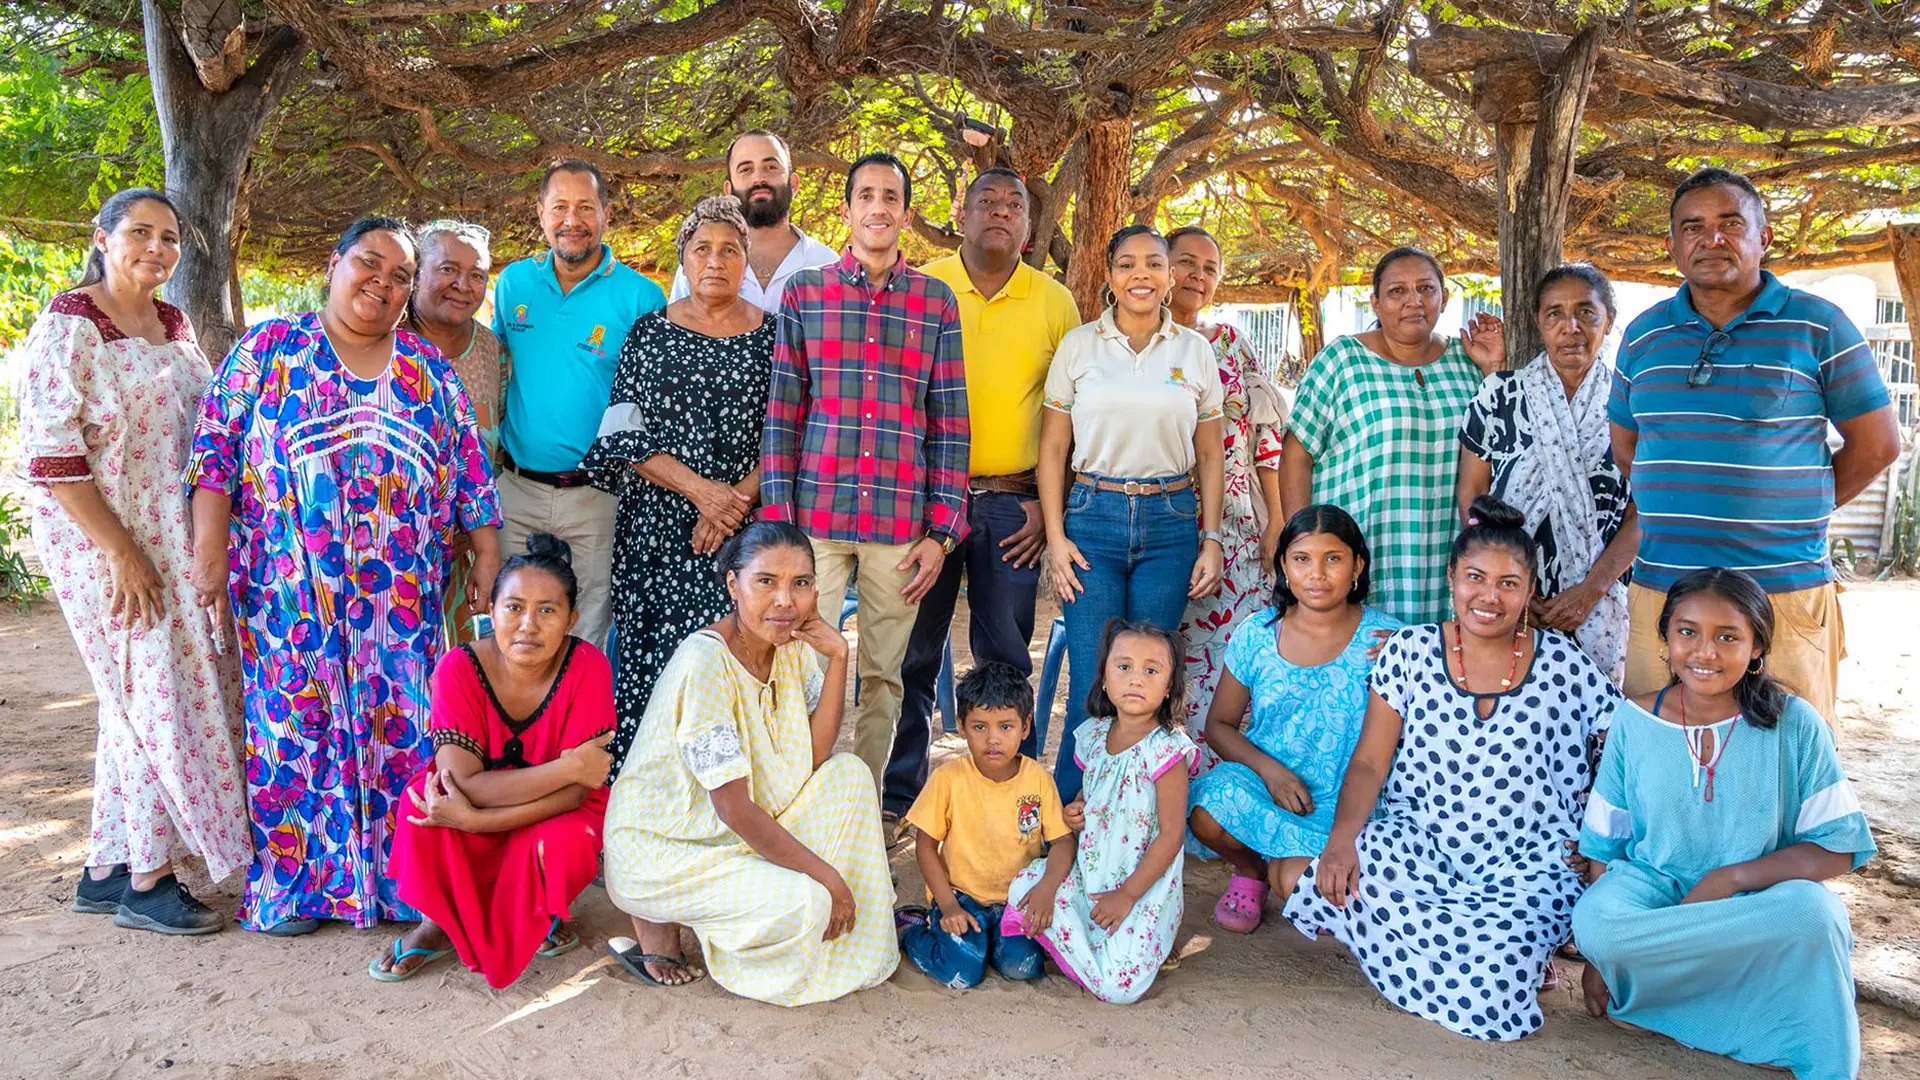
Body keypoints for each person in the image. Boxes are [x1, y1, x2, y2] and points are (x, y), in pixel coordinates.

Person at [187, 217, 503, 935]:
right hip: (287, 597)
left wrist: (486, 553)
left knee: (405, 735)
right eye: (370, 265)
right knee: (295, 731)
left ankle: (404, 884)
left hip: (402, 602)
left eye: (398, 278)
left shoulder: (428, 370)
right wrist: (208, 554)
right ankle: (298, 889)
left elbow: (469, 474)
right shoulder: (269, 350)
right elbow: (214, 453)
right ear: (334, 264)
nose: (382, 285)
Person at [1283, 496, 1617, 1041]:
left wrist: (1597, 839)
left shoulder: (1563, 662)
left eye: (1509, 583)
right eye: (1475, 578)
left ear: (1531, 590)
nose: (1489, 596)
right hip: (1423, 843)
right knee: (1355, 871)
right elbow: (1370, 762)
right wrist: (1344, 838)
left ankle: (1505, 956)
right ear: (1451, 578)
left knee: (1493, 988)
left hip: (1529, 862)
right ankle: (1486, 952)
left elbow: (1623, 754)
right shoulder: (1410, 651)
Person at [19, 188, 247, 934]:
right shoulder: (70, 326)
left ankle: (106, 867)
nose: (157, 247)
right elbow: (52, 458)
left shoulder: (175, 325)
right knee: (146, 701)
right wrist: (122, 553)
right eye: (140, 232)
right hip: (107, 544)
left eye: (171, 237)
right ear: (102, 236)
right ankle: (148, 881)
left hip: (171, 539)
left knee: (147, 698)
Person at [1612, 167, 1899, 723]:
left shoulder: (1819, 325)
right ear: (1672, 245)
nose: (1711, 239)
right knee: (1664, 751)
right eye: (1692, 227)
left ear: (1763, 238)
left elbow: (1878, 446)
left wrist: (1791, 508)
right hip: (1662, 591)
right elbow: (1629, 449)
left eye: (1730, 223)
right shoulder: (1643, 335)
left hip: (1780, 590)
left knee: (1787, 755)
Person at [1574, 568, 1874, 1079]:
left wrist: (1730, 878)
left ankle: (1672, 1004)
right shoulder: (1634, 720)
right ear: (1666, 639)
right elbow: (1607, 846)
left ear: (1757, 648)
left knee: (1815, 913)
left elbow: (1837, 848)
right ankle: (1718, 1007)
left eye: (1727, 637)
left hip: (1753, 908)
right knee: (1595, 923)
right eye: (1687, 632)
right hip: (1656, 893)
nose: (1705, 652)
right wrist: (1602, 959)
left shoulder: (1795, 723)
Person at [601, 522, 899, 1004]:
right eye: (766, 581)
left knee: (850, 776)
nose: (785, 600)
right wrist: (826, 876)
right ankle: (682, 926)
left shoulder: (791, 648)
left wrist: (840, 656)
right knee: (808, 903)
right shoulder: (706, 664)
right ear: (732, 585)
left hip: (738, 836)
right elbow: (734, 810)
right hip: (669, 848)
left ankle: (763, 919)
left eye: (800, 583)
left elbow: (816, 758)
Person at [759, 151, 970, 790]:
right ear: (847, 210)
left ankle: (862, 797)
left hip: (899, 524)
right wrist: (778, 525)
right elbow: (784, 412)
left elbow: (950, 425)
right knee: (796, 660)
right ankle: (795, 793)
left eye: (890, 197)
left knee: (885, 672)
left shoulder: (936, 302)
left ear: (906, 214)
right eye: (866, 196)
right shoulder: (806, 292)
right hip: (815, 520)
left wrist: (941, 534)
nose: (878, 207)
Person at [887, 168, 1082, 823]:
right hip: (925, 504)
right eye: (987, 202)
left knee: (1004, 658)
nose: (1000, 212)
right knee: (913, 652)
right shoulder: (923, 283)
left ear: (1029, 227)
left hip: (1013, 507)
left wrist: (1046, 504)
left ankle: (1002, 803)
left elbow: (1072, 415)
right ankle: (899, 796)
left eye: (1013, 206)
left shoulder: (1054, 302)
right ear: (959, 213)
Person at [584, 196, 772, 773]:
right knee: (654, 665)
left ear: (747, 263)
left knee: (729, 666)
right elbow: (622, 434)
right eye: (701, 249)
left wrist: (730, 506)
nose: (715, 261)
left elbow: (788, 432)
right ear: (683, 262)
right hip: (656, 534)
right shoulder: (648, 333)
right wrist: (704, 495)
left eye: (730, 250)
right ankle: (647, 800)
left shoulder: (776, 338)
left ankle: (727, 808)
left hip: (740, 538)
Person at [377, 534, 614, 987]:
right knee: (421, 802)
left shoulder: (588, 666)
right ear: (491, 611)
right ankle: (438, 923)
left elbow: (575, 796)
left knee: (559, 840)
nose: (528, 624)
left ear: (572, 619)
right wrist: (565, 767)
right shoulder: (458, 667)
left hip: (555, 809)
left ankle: (538, 916)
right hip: (495, 798)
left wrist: (478, 819)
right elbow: (462, 784)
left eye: (548, 610)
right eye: (514, 607)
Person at [1040, 224, 1225, 799]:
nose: (1140, 274)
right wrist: (1055, 537)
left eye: (1153, 263)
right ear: (1111, 277)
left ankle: (1142, 816)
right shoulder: (1079, 346)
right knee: (1096, 674)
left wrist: (1211, 537)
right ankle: (1072, 817)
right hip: (1091, 517)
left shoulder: (1194, 352)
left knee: (1151, 676)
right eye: (1127, 264)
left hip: (1170, 522)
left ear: (1171, 277)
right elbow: (1052, 449)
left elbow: (1210, 451)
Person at [1186, 506, 1400, 934]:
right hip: (1270, 789)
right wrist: (1272, 774)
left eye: (1333, 559)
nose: (1316, 573)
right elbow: (1219, 726)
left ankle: (1281, 869)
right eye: (1302, 559)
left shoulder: (1388, 640)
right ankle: (1250, 871)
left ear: (1358, 565)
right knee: (1207, 807)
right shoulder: (1258, 634)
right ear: (1283, 565)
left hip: (1350, 805)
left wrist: (1414, 650)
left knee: (1296, 880)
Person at [492, 159, 666, 647]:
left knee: (586, 631)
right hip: (516, 491)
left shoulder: (641, 297)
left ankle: (576, 726)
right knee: (513, 631)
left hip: (598, 497)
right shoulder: (512, 285)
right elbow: (496, 374)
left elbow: (649, 405)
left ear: (606, 214)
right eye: (560, 207)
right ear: (541, 214)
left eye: (585, 207)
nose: (573, 219)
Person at [1280, 247, 1504, 624]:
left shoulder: (1467, 363)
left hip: (1442, 553)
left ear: (1445, 299)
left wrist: (1494, 366)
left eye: (1426, 289)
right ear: (1376, 302)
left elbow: (1497, 450)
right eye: (1397, 291)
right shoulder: (1343, 360)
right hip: (1360, 548)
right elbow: (1296, 456)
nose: (1414, 301)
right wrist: (1304, 546)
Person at [1458, 263, 1639, 684]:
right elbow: (1472, 494)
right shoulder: (1498, 396)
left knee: (1592, 728)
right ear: (1539, 323)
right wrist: (1516, 588)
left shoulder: (1630, 406)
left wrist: (1591, 590)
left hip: (1601, 601)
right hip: (1504, 596)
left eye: (1586, 313)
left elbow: (1641, 513)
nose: (1570, 327)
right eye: (1554, 314)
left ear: (1608, 321)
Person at [1003, 621, 1197, 1004]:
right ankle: (1075, 942)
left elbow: (1172, 835)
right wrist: (1075, 810)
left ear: (1170, 686)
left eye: (1151, 670)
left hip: (1142, 888)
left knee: (1119, 988)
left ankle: (1070, 946)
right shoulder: (1093, 734)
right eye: (1123, 667)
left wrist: (1127, 895)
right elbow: (1094, 792)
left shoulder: (1167, 751)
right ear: (1105, 678)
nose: (1136, 680)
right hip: (1089, 873)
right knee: (1026, 884)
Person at [1165, 225, 1290, 731]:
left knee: (1236, 661)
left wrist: (1277, 520)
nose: (1198, 275)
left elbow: (1267, 439)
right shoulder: (1139, 343)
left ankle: (1228, 789)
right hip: (1164, 522)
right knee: (1165, 657)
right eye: (1186, 262)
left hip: (1238, 531)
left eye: (1210, 268)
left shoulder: (1233, 344)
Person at [899, 661, 1072, 989]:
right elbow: (925, 845)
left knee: (1022, 967)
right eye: (980, 727)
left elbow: (1062, 842)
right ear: (962, 727)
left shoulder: (1037, 779)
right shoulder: (948, 779)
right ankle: (911, 930)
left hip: (1017, 900)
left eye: (1006, 727)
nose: (993, 739)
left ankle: (988, 943)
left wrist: (1046, 888)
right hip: (962, 897)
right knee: (961, 973)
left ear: (1025, 727)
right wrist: (948, 904)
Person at [410, 219, 505, 646]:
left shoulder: (492, 349)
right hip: (398, 551)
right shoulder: (387, 341)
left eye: (477, 275)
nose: (462, 285)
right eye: (447, 269)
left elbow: (493, 448)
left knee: (461, 674)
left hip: (471, 548)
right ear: (417, 273)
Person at [669, 130, 838, 312]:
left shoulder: (828, 266)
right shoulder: (699, 264)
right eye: (746, 169)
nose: (759, 179)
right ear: (728, 191)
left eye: (771, 167)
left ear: (793, 184)